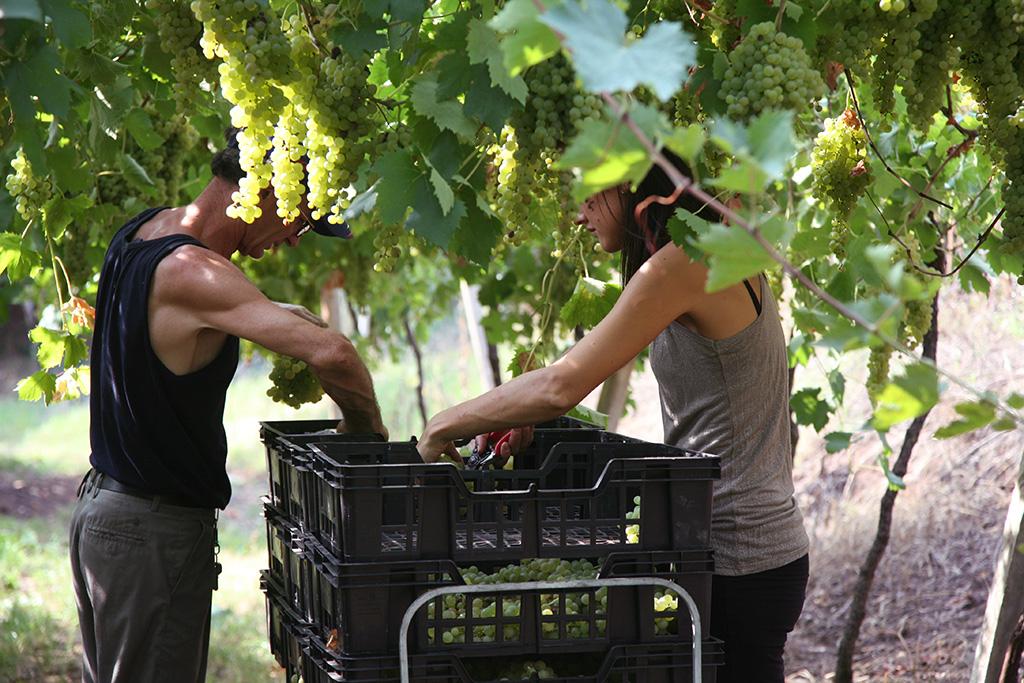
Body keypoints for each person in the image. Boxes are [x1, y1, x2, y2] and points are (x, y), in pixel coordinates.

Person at [417, 151, 809, 682]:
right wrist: (526, 414)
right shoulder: (712, 247)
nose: (580, 216)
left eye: (586, 195)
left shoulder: (683, 264)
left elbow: (562, 383)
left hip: (742, 558)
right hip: (743, 553)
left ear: (631, 181)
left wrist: (444, 424)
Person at [69, 128, 386, 683]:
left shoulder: (143, 231)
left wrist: (271, 312)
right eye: (301, 217)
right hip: (150, 536)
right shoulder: (196, 273)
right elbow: (335, 354)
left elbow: (166, 320)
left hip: (103, 518)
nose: (294, 239)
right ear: (266, 189)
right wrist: (368, 435)